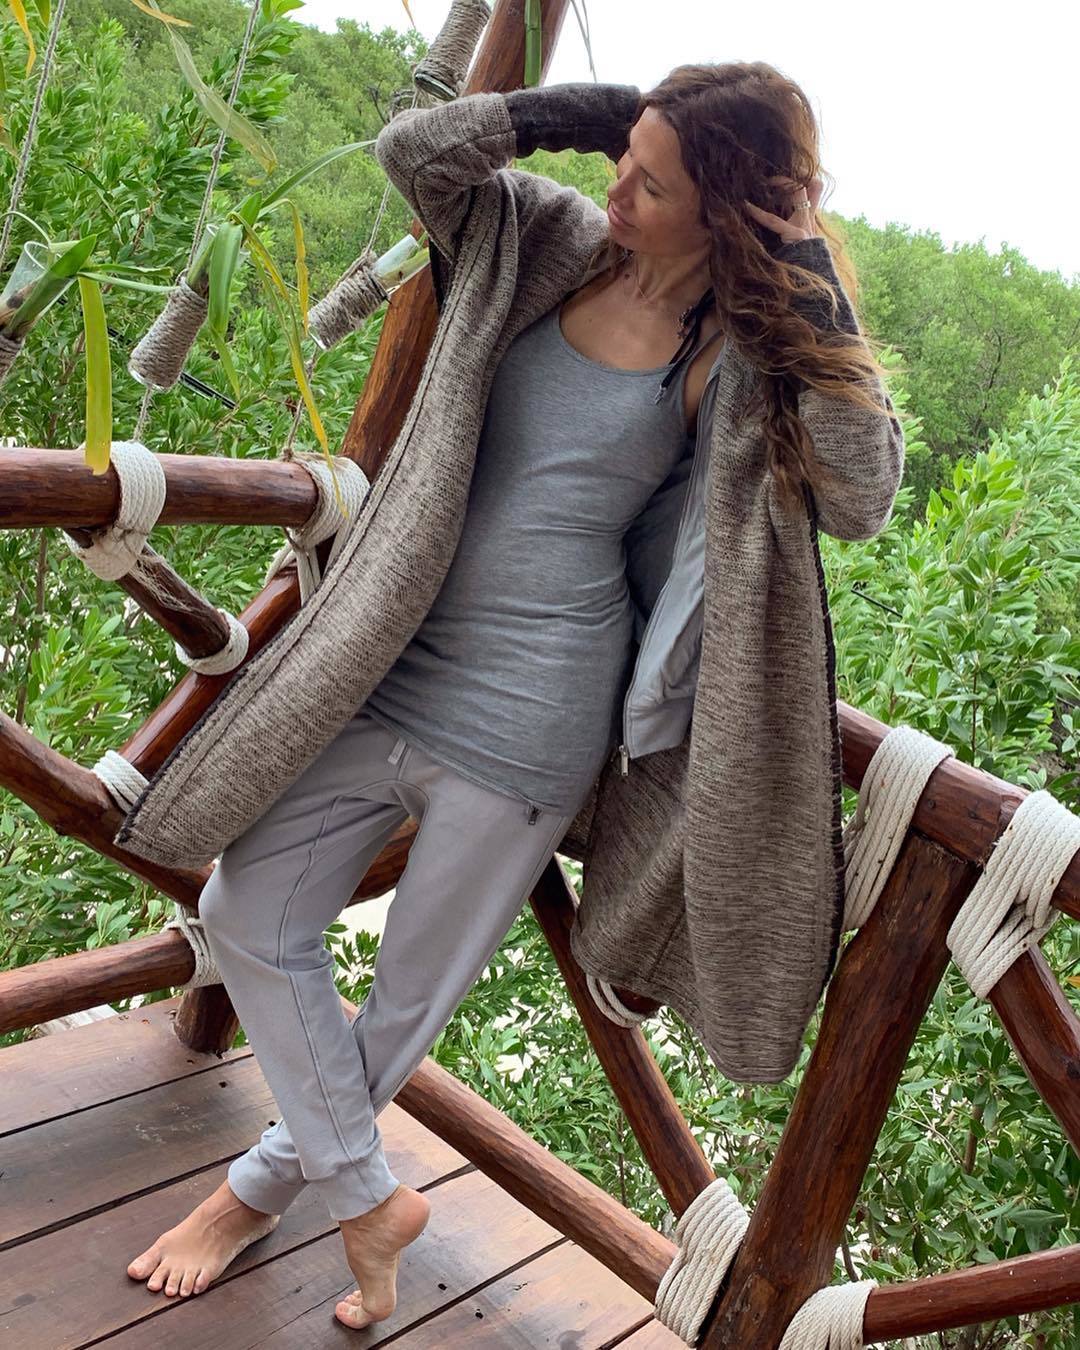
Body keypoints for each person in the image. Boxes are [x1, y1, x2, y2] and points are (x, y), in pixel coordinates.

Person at [126, 63, 902, 1330]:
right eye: (622, 160)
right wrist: (574, 115)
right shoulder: (544, 236)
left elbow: (862, 495)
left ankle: (252, 1197)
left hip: (539, 710)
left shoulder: (734, 358)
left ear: (725, 211)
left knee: (407, 1001)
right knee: (247, 906)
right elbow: (412, 150)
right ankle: (368, 1198)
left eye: (653, 184)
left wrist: (809, 271)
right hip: (397, 661)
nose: (621, 191)